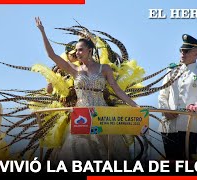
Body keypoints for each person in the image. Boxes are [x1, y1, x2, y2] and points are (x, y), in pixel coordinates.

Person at [35, 17, 138, 165]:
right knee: (79, 156)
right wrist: (42, 32)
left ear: (90, 50)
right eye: (76, 50)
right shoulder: (74, 70)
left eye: (80, 49)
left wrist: (135, 106)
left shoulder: (105, 69)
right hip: (81, 118)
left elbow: (118, 90)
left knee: (107, 159)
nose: (77, 53)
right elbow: (52, 55)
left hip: (102, 116)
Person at [158, 34, 197, 160]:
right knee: (170, 166)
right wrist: (165, 110)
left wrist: (196, 109)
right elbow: (162, 95)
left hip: (190, 126)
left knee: (187, 166)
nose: (182, 53)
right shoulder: (171, 71)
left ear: (196, 53)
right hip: (168, 126)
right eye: (181, 50)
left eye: (186, 51)